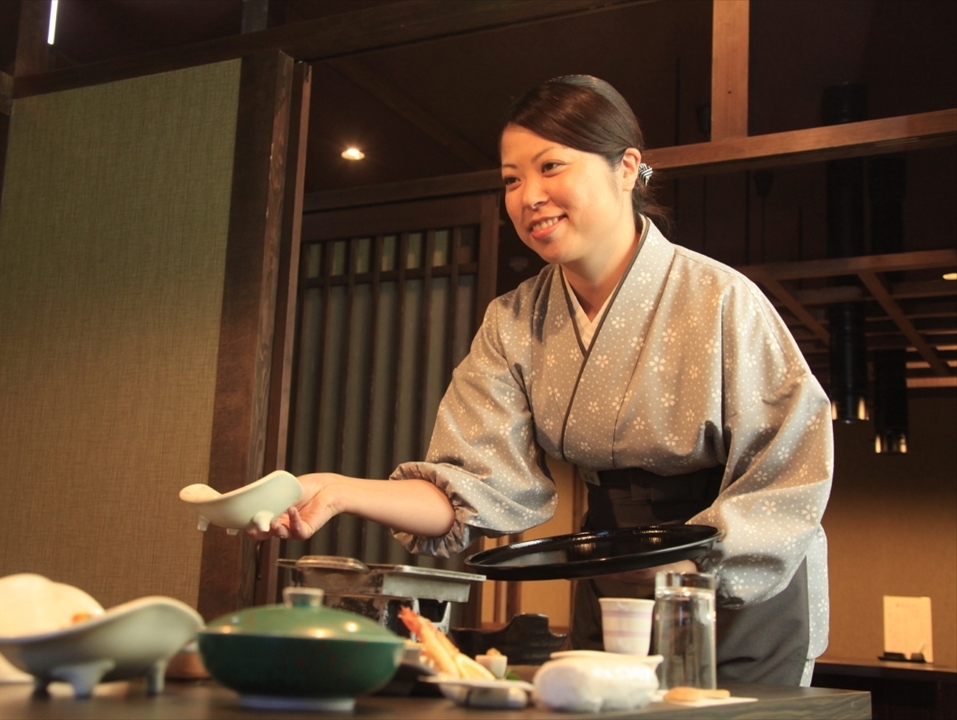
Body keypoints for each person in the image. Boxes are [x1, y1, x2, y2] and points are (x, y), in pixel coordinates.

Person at [254, 75, 833, 687]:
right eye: (511, 179)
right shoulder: (512, 322)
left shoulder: (721, 298)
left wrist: (690, 557)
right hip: (611, 571)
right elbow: (468, 489)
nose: (529, 195)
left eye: (550, 166)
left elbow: (790, 466)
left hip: (735, 584)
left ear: (627, 167)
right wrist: (334, 490)